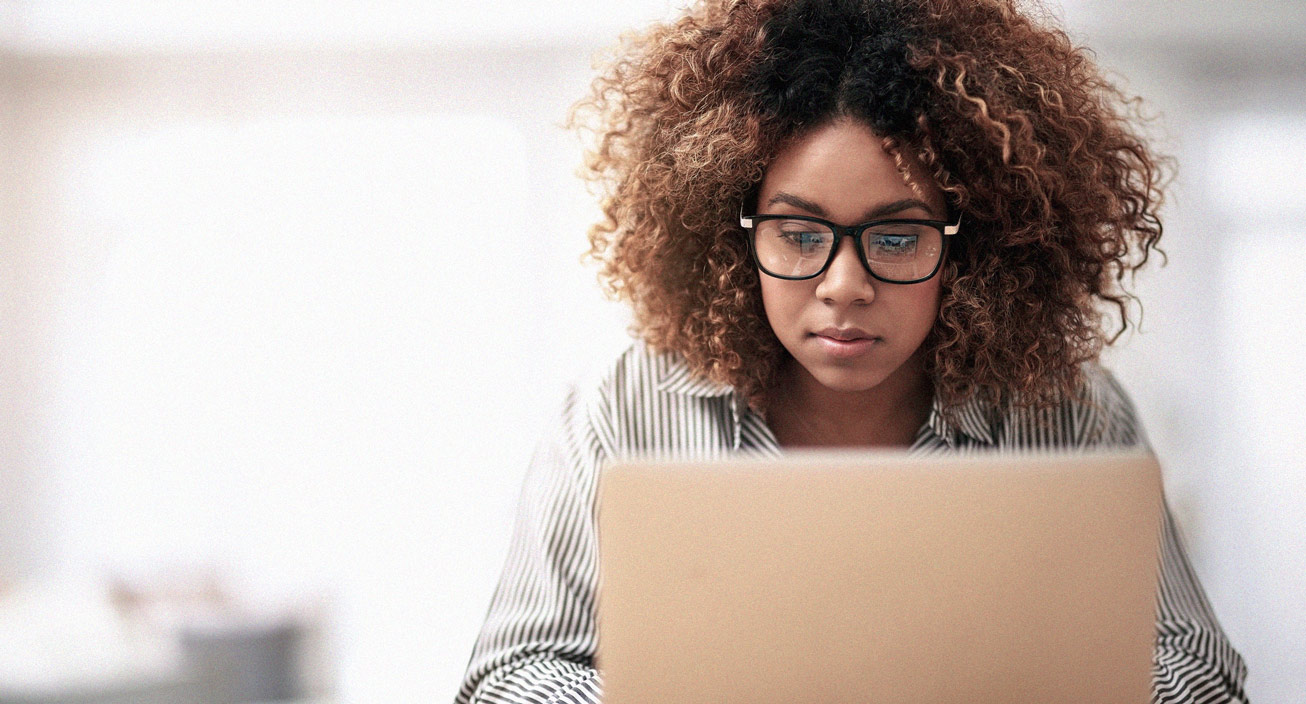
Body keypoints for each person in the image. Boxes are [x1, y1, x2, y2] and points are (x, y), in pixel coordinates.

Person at [455, 0, 1249, 701]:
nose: (844, 285)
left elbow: (1199, 672)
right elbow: (511, 674)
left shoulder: (1071, 412)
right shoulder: (623, 406)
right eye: (799, 235)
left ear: (973, 246)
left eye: (896, 236)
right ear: (733, 235)